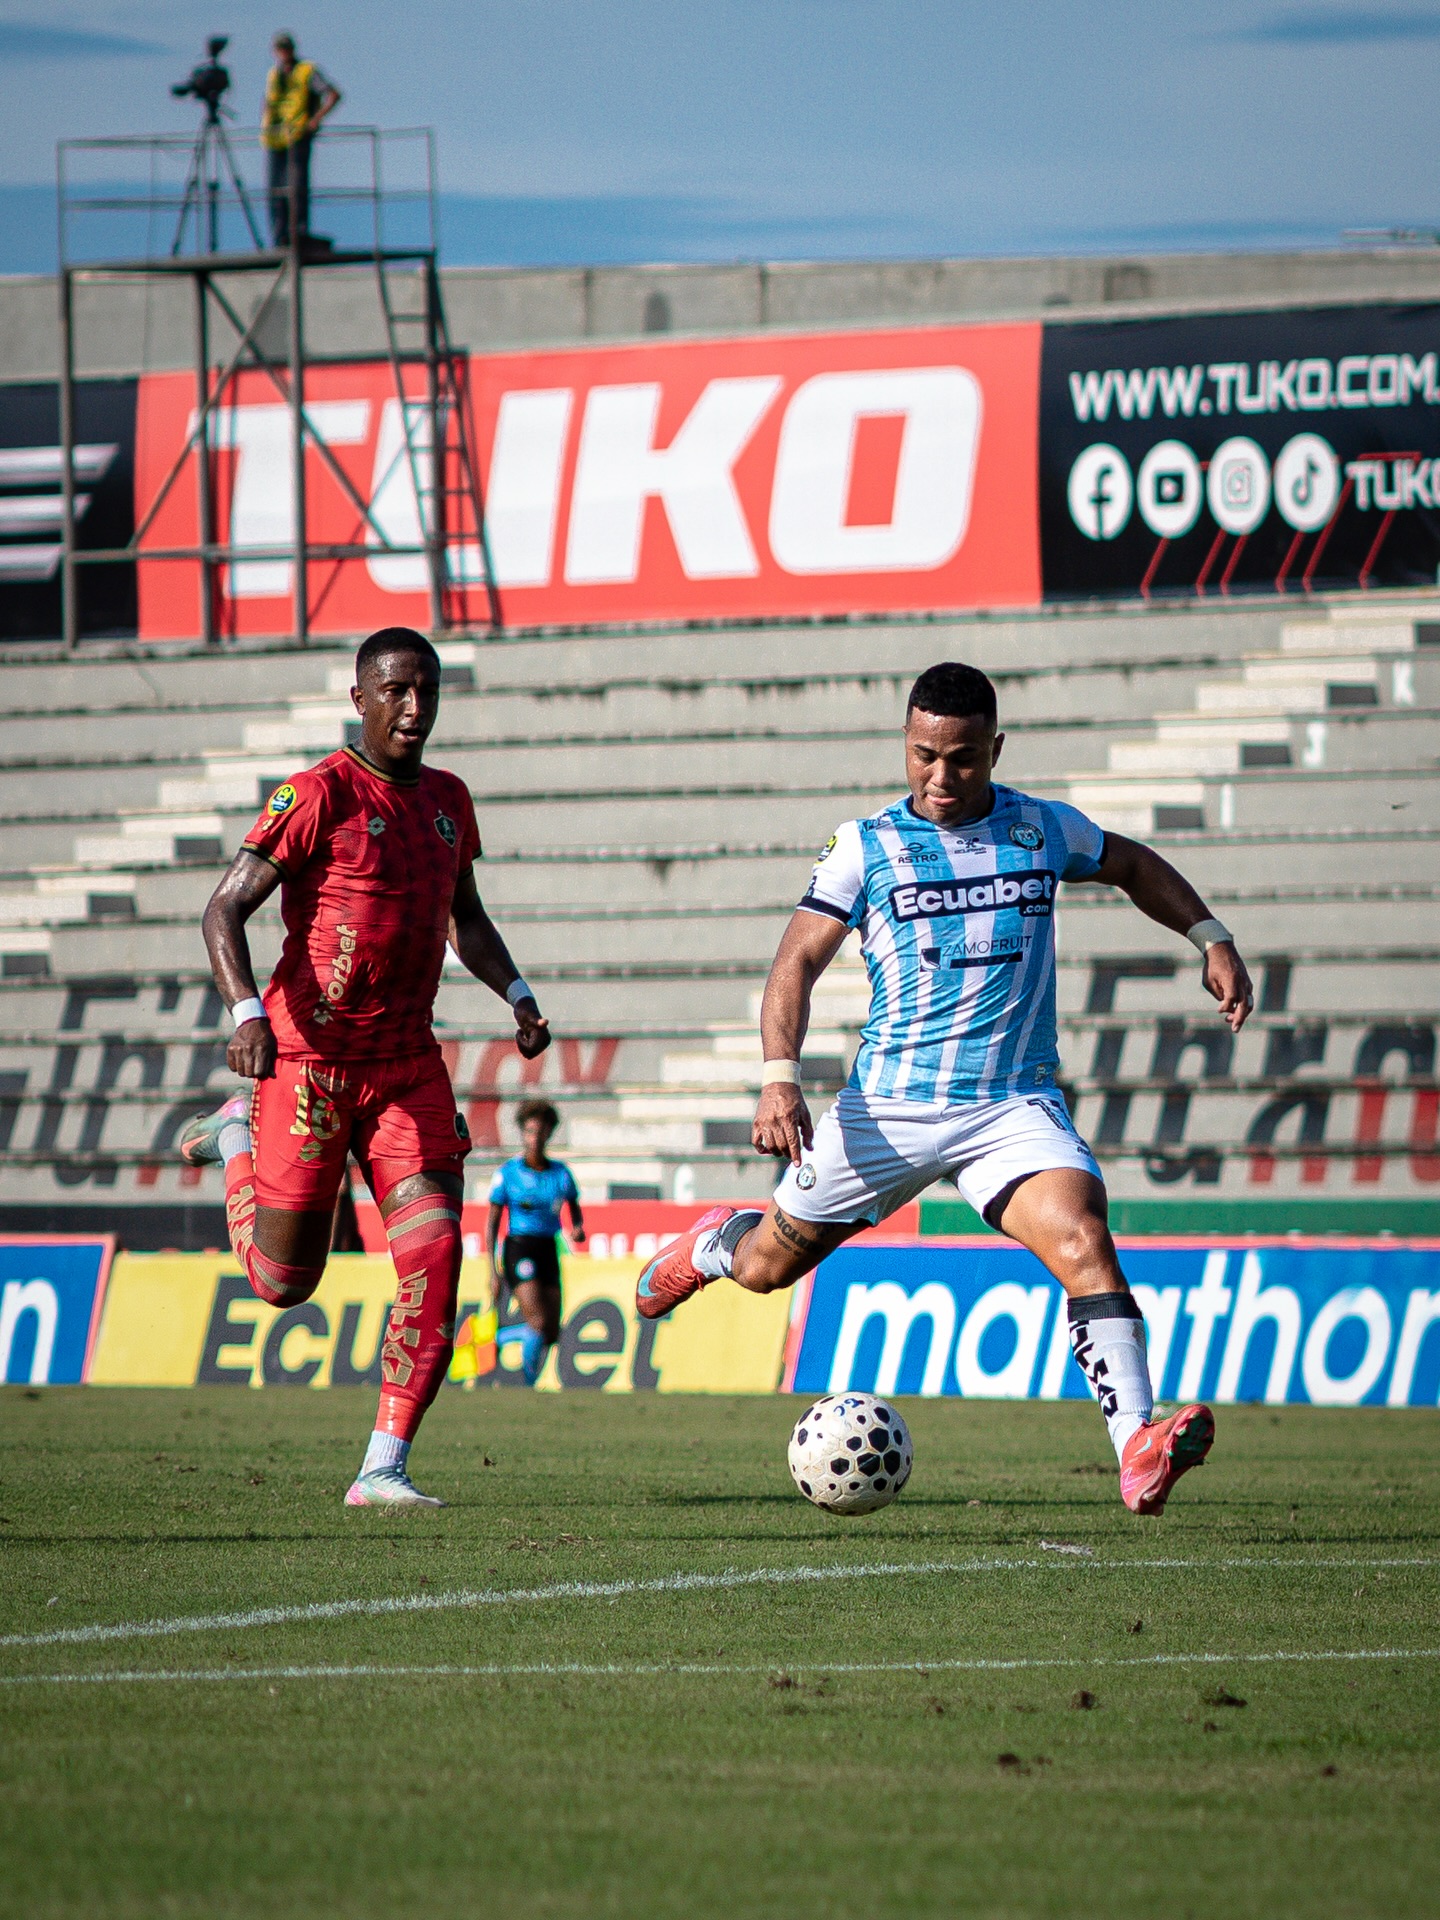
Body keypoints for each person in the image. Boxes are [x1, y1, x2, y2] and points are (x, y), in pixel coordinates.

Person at [636, 661, 1255, 1517]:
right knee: (766, 1268)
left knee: (1083, 1238)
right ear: (905, 743)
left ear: (994, 749)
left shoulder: (1043, 830)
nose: (941, 776)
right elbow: (796, 962)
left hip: (1010, 1106)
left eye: (962, 759)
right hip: (886, 1110)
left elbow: (1132, 864)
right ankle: (713, 1244)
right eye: (925, 754)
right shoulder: (866, 845)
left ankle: (1139, 1446)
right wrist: (780, 1078)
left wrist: (1210, 935)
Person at [179, 626, 550, 1508]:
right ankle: (238, 1134)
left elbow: (467, 918)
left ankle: (383, 1466)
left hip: (407, 1067)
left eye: (426, 689)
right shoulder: (316, 794)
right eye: (396, 690)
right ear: (362, 700)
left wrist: (521, 994)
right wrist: (245, 1016)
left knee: (435, 1253)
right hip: (307, 1063)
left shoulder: (451, 802)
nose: (414, 706)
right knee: (282, 1284)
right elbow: (223, 910)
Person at [487, 1100, 586, 1385]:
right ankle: (527, 1384)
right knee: (538, 1322)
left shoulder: (560, 1174)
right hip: (519, 1248)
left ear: (549, 1134)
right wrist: (492, 1271)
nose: (535, 1138)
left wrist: (577, 1228)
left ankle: (500, 1337)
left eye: (540, 1132)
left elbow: (574, 1210)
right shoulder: (508, 1174)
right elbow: (491, 1225)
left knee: (552, 1331)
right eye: (530, 1131)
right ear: (522, 1133)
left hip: (547, 1249)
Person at [261, 31, 340, 248]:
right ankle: (280, 237)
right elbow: (269, 102)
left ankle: (298, 234)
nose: (283, 53)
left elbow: (333, 94)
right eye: (280, 49)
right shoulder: (274, 74)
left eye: (286, 48)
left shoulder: (307, 71)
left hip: (298, 136)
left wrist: (315, 120)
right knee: (275, 190)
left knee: (296, 188)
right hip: (275, 138)